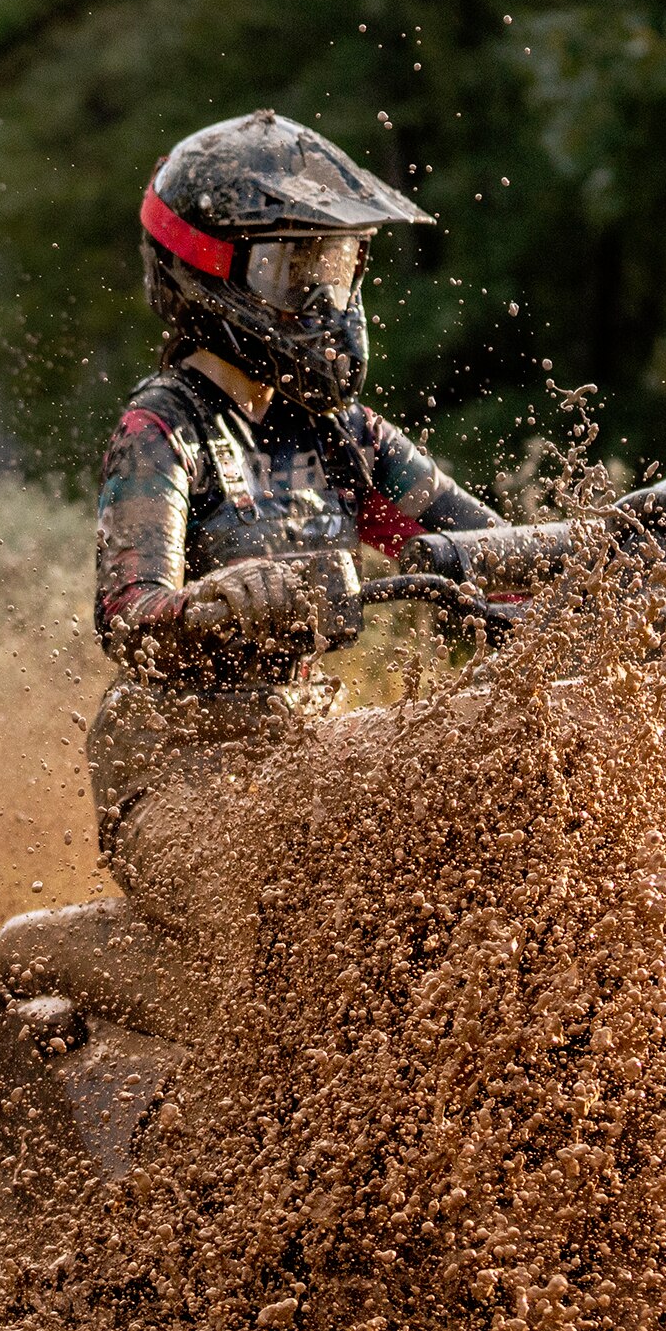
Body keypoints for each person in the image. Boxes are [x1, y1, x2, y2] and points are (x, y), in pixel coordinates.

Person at [85, 109, 502, 877]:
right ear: (207, 271)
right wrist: (231, 597)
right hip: (172, 774)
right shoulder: (161, 429)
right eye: (293, 271)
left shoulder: (345, 434)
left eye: (334, 268)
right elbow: (128, 619)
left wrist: (616, 567)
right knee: (295, 890)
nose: (322, 302)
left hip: (303, 744)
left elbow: (485, 549)